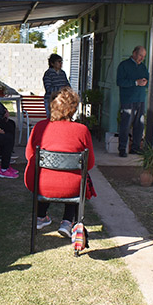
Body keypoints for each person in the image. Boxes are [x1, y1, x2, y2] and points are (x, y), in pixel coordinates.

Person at [24, 87, 95, 238]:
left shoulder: (39, 127)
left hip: (40, 185)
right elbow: (89, 164)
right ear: (73, 108)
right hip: (72, 186)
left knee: (46, 174)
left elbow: (29, 155)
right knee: (76, 177)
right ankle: (67, 222)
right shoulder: (81, 130)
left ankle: (41, 216)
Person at [116, 46, 149, 157]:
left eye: (143, 56)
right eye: (140, 55)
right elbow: (120, 82)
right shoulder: (124, 65)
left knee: (139, 125)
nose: (141, 58)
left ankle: (135, 148)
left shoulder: (143, 67)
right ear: (134, 53)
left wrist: (145, 82)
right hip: (128, 100)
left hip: (140, 99)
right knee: (125, 125)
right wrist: (135, 82)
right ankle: (122, 148)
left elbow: (148, 80)